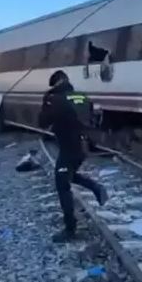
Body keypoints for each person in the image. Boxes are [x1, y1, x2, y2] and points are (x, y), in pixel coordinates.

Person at [38, 70, 108, 243]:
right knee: (67, 175)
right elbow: (91, 118)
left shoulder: (55, 100)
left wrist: (46, 102)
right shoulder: (82, 96)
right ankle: (96, 187)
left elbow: (42, 122)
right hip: (83, 147)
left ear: (56, 83)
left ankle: (70, 229)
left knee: (62, 185)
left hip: (69, 147)